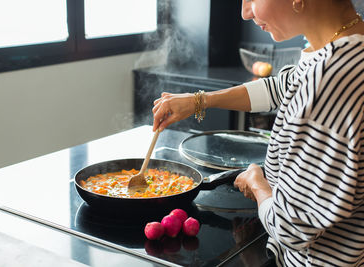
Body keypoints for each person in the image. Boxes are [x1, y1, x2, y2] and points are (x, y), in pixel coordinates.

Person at [152, 0, 364, 266]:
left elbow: (292, 229)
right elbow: (281, 87)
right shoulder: (350, 47)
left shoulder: (328, 81)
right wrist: (199, 100)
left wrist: (257, 182)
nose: (245, 12)